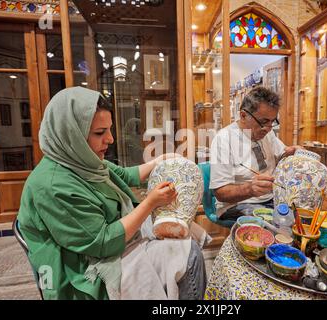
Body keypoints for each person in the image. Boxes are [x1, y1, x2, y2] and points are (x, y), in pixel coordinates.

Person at [17, 87, 206, 300]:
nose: (110, 139)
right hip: (85, 271)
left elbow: (124, 176)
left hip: (108, 241)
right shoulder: (52, 186)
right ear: (71, 135)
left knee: (181, 235)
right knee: (188, 254)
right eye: (99, 132)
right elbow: (102, 242)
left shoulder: (81, 161)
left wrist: (159, 162)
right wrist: (150, 203)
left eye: (109, 129)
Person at [209, 86, 302, 221]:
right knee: (274, 226)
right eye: (264, 122)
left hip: (271, 199)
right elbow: (220, 193)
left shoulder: (267, 134)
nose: (268, 129)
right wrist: (250, 189)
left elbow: (281, 155)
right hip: (237, 205)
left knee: (299, 220)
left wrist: (291, 154)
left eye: (272, 122)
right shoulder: (224, 139)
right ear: (243, 115)